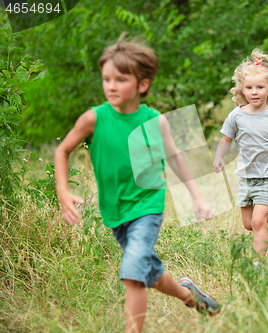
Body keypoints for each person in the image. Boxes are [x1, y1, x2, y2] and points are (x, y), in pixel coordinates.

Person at [55, 34, 220, 333]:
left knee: (132, 275)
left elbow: (176, 159)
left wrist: (197, 197)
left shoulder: (156, 121)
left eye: (120, 79)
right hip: (115, 211)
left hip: (147, 206)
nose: (111, 86)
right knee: (149, 273)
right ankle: (190, 295)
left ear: (142, 85)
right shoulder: (93, 119)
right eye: (106, 79)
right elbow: (62, 150)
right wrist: (63, 191)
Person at [212, 49, 268, 262]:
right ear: (242, 89)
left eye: (260, 87)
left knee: (259, 221)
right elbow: (226, 140)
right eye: (249, 87)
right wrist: (218, 157)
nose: (254, 92)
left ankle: (258, 263)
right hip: (246, 176)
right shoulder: (236, 115)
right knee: (249, 224)